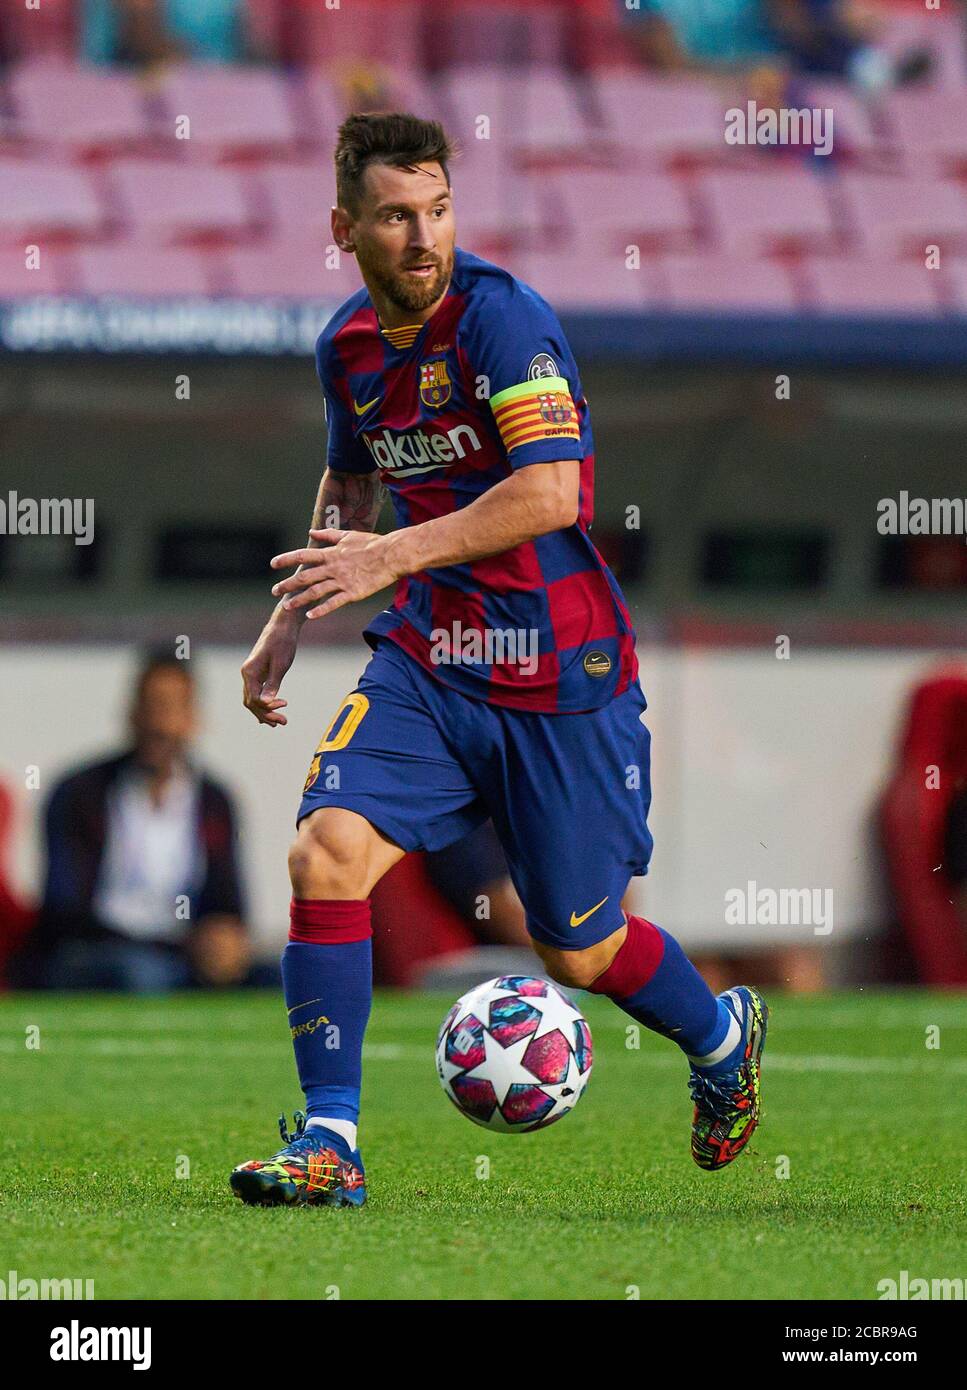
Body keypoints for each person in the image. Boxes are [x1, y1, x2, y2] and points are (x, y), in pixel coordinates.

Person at [230, 112, 768, 1208]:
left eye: (437, 210)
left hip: (557, 669)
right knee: (325, 853)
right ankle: (331, 1140)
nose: (422, 237)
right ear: (345, 226)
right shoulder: (345, 347)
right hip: (429, 659)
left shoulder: (502, 319)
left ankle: (718, 1039)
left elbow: (551, 493)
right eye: (394, 215)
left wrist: (393, 553)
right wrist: (292, 616)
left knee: (576, 947)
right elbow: (352, 482)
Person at [14, 651, 250, 993]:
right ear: (132, 713)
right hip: (97, 954)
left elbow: (230, 899)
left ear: (193, 718)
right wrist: (172, 945)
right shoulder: (80, 793)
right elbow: (64, 908)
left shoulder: (214, 801)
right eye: (152, 707)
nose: (161, 725)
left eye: (172, 709)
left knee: (279, 978)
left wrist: (224, 939)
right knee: (141, 974)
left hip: (186, 956)